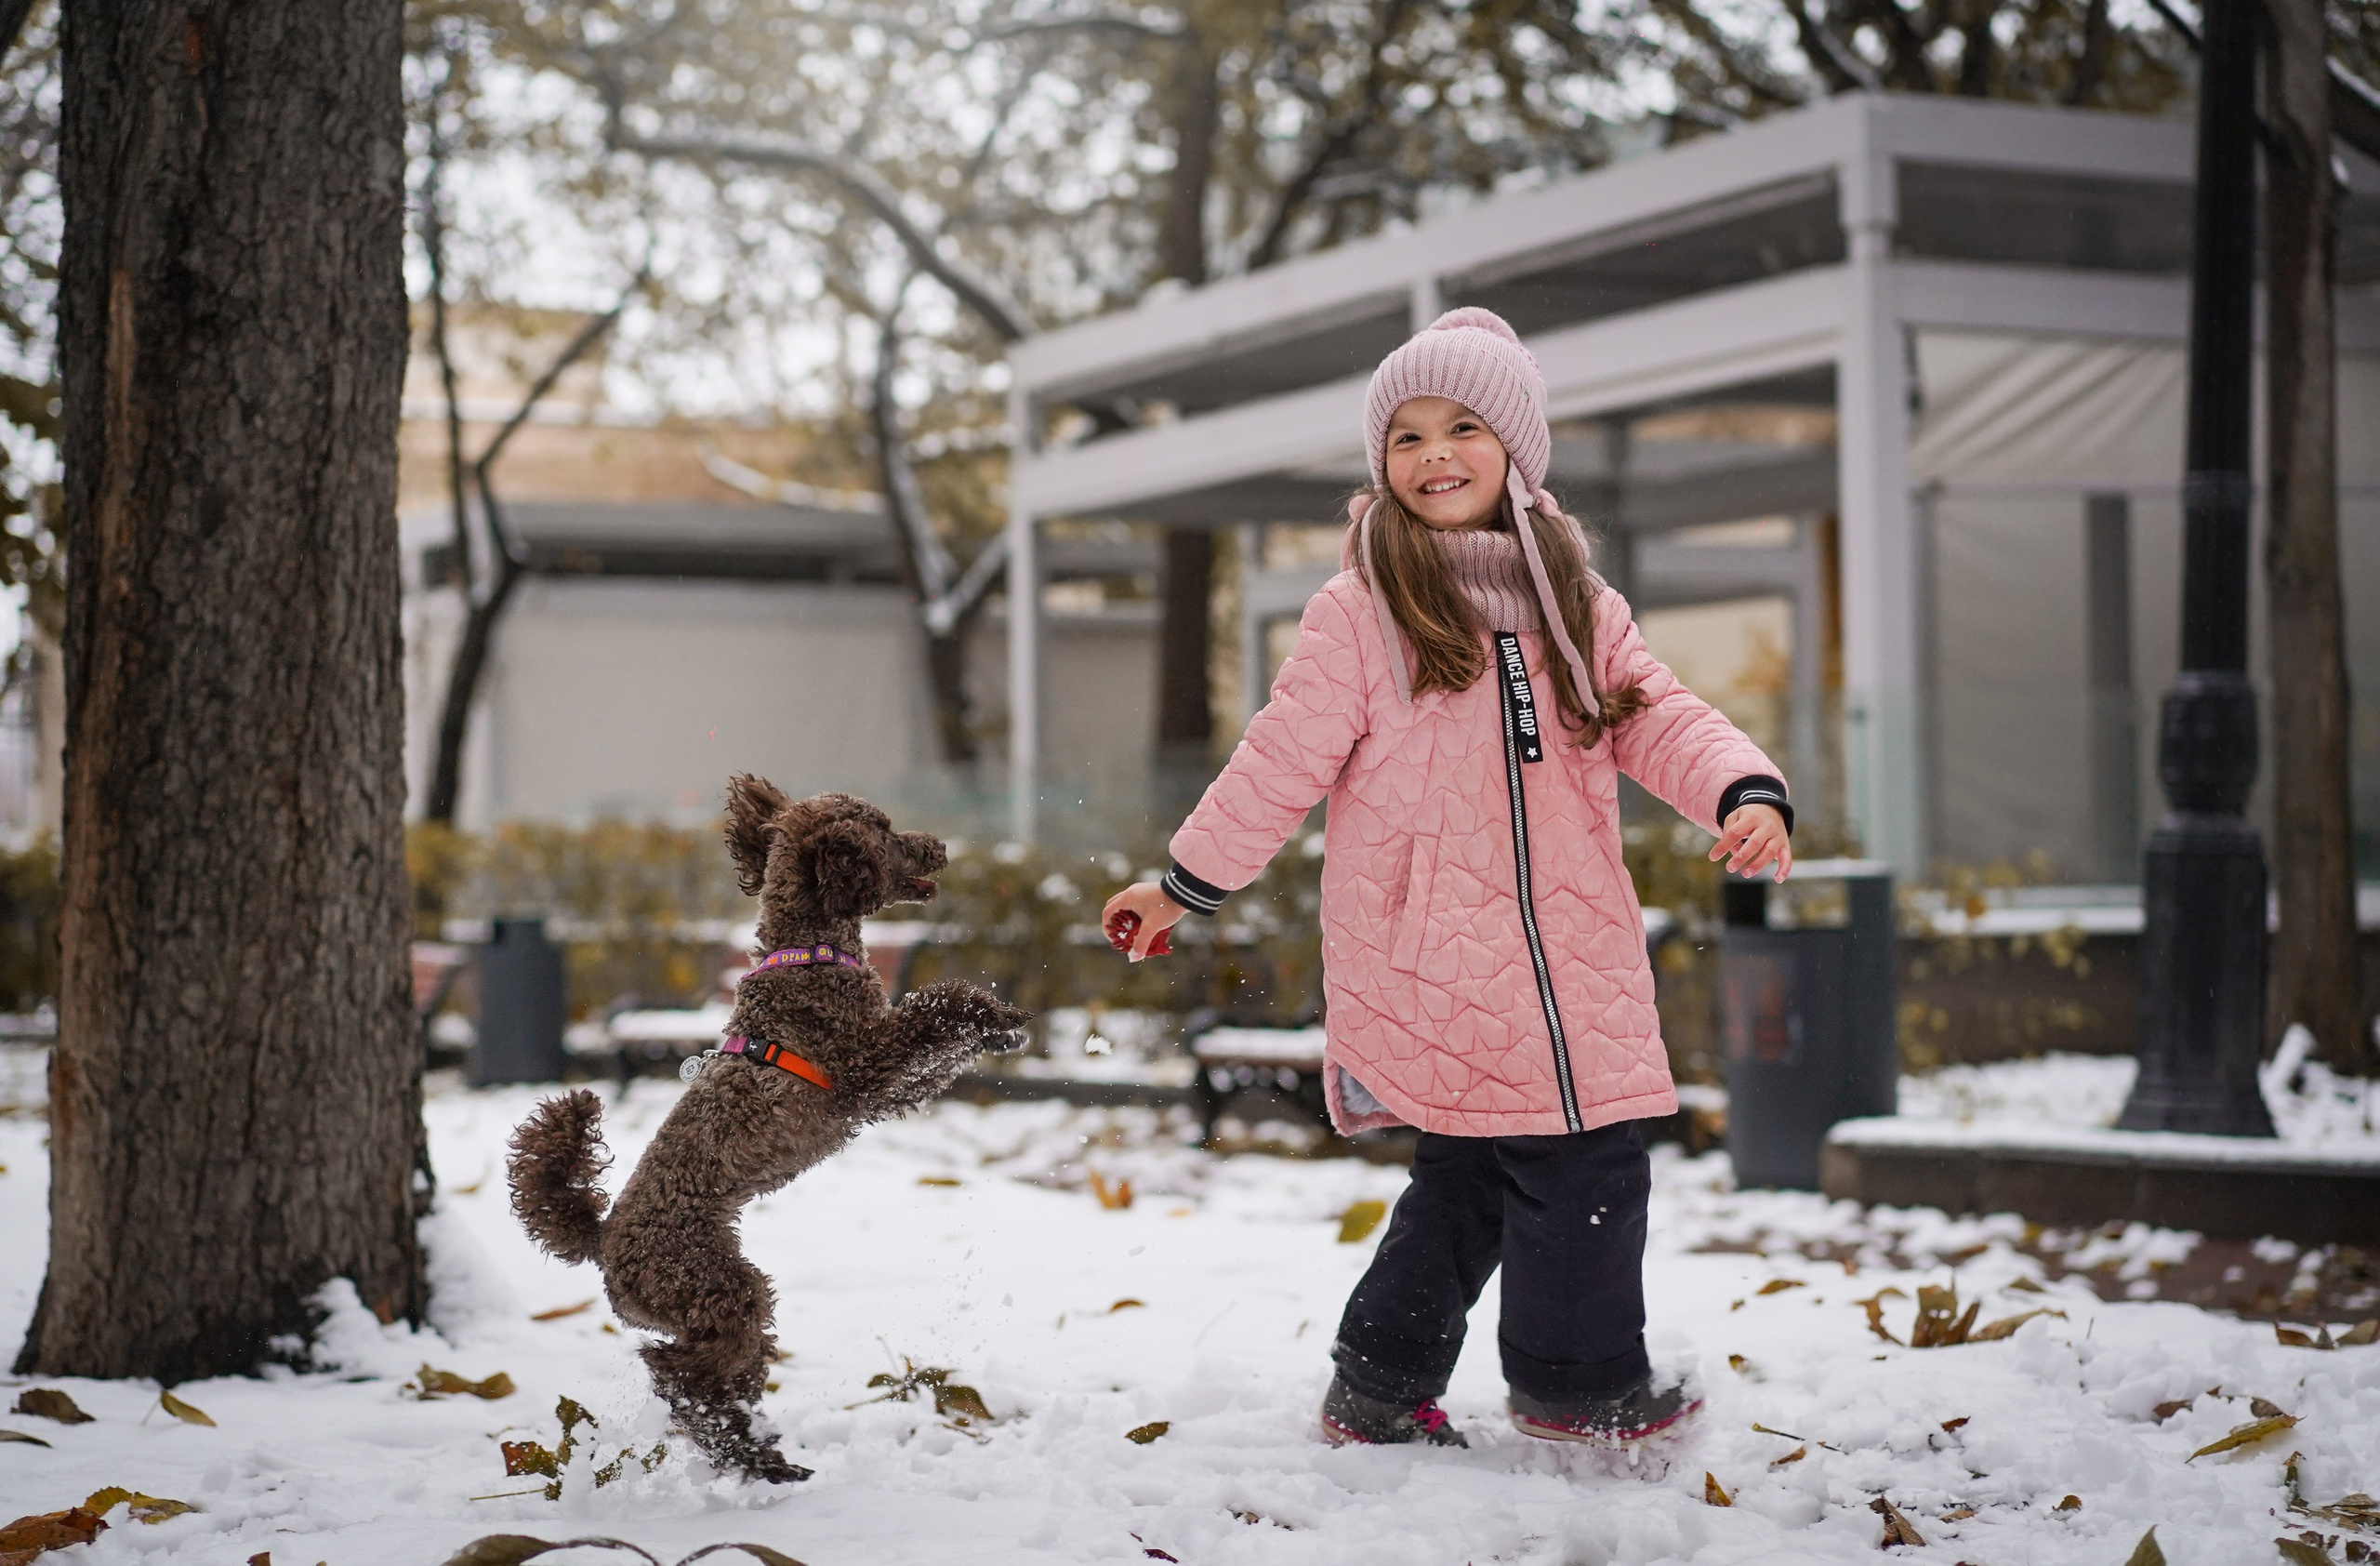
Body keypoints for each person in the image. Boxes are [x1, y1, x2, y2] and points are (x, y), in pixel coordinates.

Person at [1102, 307, 1792, 1452]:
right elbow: (1277, 762)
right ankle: (1580, 1385)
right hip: (1436, 951)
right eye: (1407, 436)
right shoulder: (1364, 610)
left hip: (1566, 946)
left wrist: (1741, 789)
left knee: (1471, 1171)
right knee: (1583, 1162)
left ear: (1516, 448)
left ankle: (1377, 1385)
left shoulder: (1573, 598)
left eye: (1462, 427)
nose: (1433, 455)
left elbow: (1652, 712)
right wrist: (1184, 884)